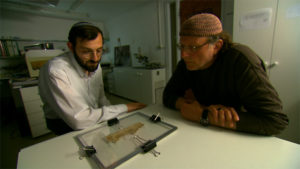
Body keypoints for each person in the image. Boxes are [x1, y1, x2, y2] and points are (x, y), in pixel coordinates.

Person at [163, 13, 288, 136]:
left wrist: (204, 116)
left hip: (238, 136)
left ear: (217, 46)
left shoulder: (241, 61)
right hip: (205, 133)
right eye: (182, 46)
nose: (184, 54)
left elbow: (276, 121)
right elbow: (168, 95)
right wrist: (195, 108)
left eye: (194, 47)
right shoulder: (187, 63)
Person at [39, 22, 146, 135]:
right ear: (71, 47)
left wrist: (116, 119)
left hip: (91, 114)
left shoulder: (94, 64)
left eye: (99, 50)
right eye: (86, 51)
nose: (95, 58)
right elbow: (79, 120)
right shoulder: (56, 71)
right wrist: (125, 107)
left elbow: (100, 98)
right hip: (63, 122)